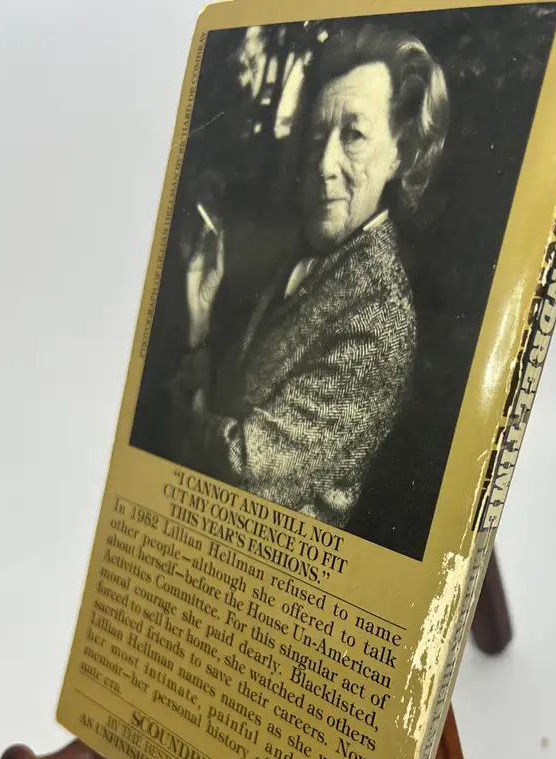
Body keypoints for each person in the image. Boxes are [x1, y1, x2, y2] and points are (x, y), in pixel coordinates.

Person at [169, 25, 449, 530]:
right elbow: (230, 402)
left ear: (400, 153)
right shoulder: (313, 254)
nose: (323, 164)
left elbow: (242, 471)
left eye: (353, 136)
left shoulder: (379, 320)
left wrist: (188, 408)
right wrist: (199, 320)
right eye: (318, 137)